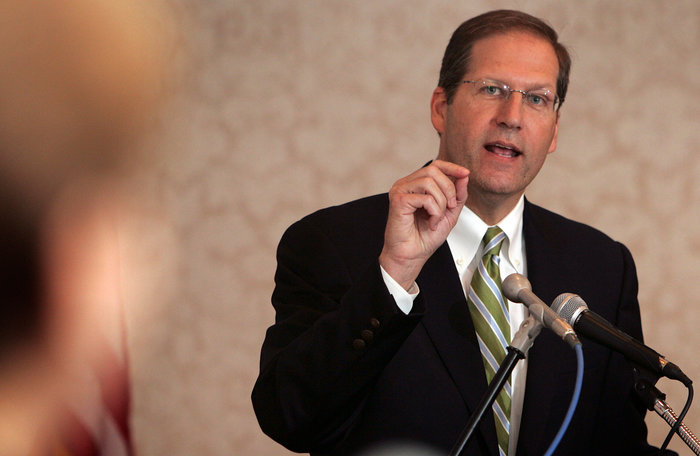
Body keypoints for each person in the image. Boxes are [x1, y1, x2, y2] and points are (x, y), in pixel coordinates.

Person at [252, 9, 673, 456]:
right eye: (492, 89)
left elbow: (617, 444)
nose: (512, 117)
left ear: (554, 130)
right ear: (441, 107)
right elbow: (289, 419)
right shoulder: (332, 242)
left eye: (536, 99)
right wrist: (394, 275)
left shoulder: (602, 265)